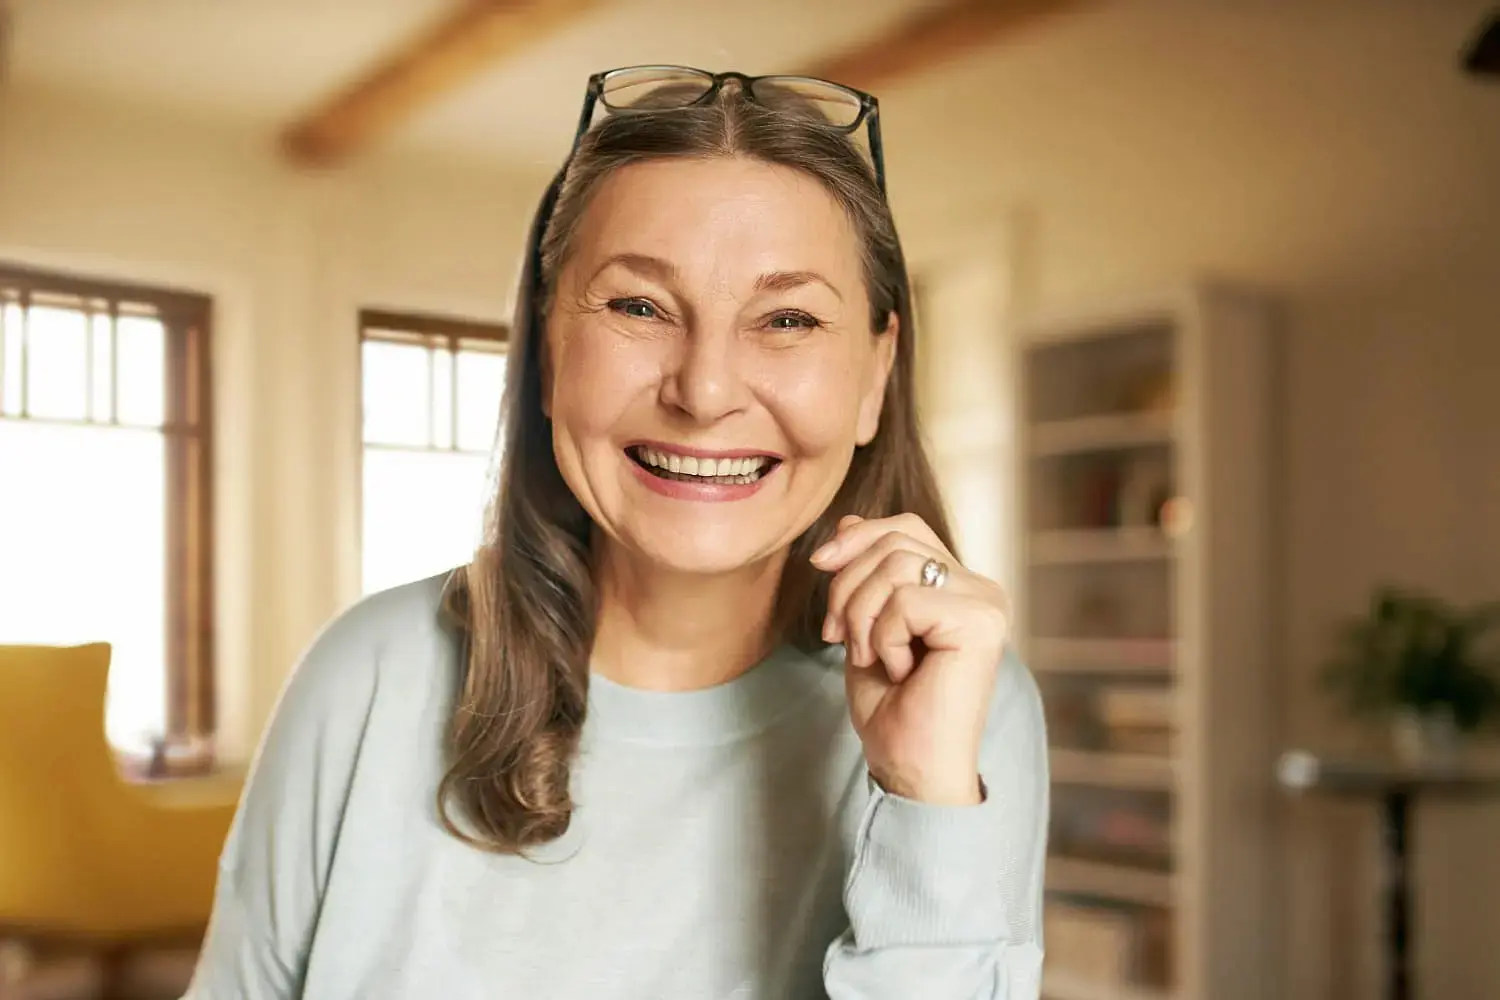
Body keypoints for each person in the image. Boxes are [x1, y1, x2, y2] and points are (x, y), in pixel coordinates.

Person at [184, 66, 1048, 999]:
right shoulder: (370, 672)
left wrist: (923, 801)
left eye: (787, 318)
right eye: (638, 307)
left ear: (877, 372)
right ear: (551, 347)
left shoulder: (965, 707)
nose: (705, 391)